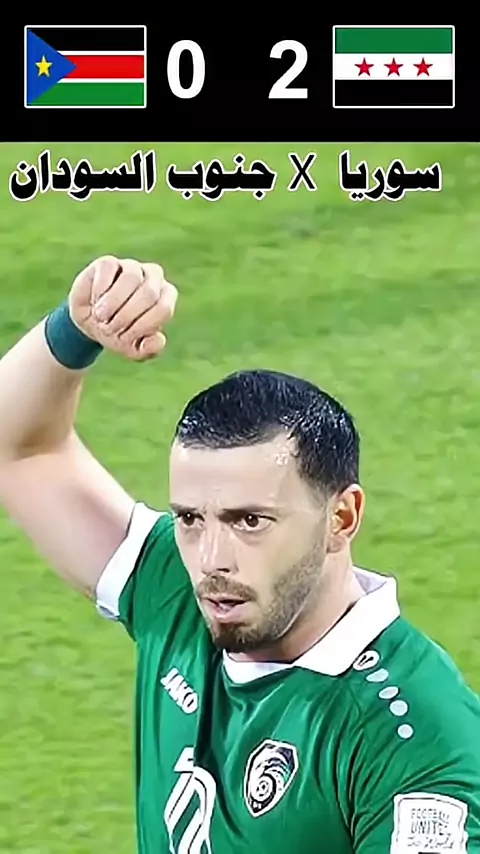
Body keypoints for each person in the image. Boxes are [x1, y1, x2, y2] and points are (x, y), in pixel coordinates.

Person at [0, 255, 479, 854]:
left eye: (250, 521)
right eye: (190, 519)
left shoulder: (413, 738)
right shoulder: (180, 594)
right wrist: (76, 327)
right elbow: (21, 447)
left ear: (341, 518)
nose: (211, 560)